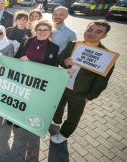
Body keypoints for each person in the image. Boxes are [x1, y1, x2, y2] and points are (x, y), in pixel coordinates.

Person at [51, 20, 115, 144]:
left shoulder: (106, 56)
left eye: (99, 32)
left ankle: (64, 134)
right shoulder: (73, 44)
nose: (92, 33)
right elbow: (59, 60)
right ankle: (56, 121)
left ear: (104, 36)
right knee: (58, 106)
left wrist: (89, 97)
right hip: (63, 85)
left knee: (73, 116)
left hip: (80, 93)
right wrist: (65, 62)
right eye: (90, 29)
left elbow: (102, 81)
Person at [14, 20, 59, 156]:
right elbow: (16, 58)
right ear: (35, 30)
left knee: (31, 101)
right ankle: (17, 119)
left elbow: (53, 67)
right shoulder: (26, 41)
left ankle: (29, 120)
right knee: (21, 98)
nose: (42, 32)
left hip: (38, 82)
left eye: (45, 30)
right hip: (23, 78)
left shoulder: (54, 47)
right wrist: (20, 58)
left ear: (50, 32)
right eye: (40, 30)